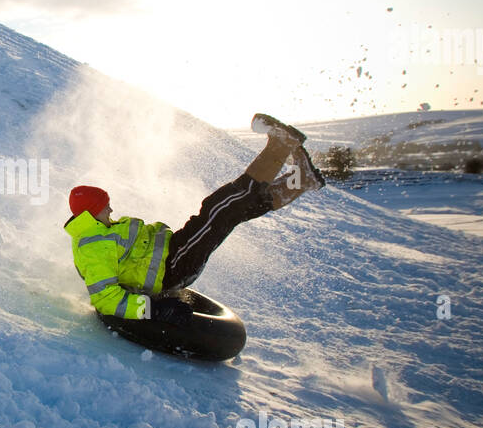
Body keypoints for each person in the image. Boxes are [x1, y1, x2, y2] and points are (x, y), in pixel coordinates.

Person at [64, 114, 325, 324]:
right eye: (104, 206)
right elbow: (106, 300)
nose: (110, 210)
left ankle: (299, 182)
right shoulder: (93, 245)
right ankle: (280, 146)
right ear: (89, 212)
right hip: (172, 267)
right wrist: (152, 309)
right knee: (219, 208)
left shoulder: (102, 231)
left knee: (230, 213)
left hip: (173, 253)